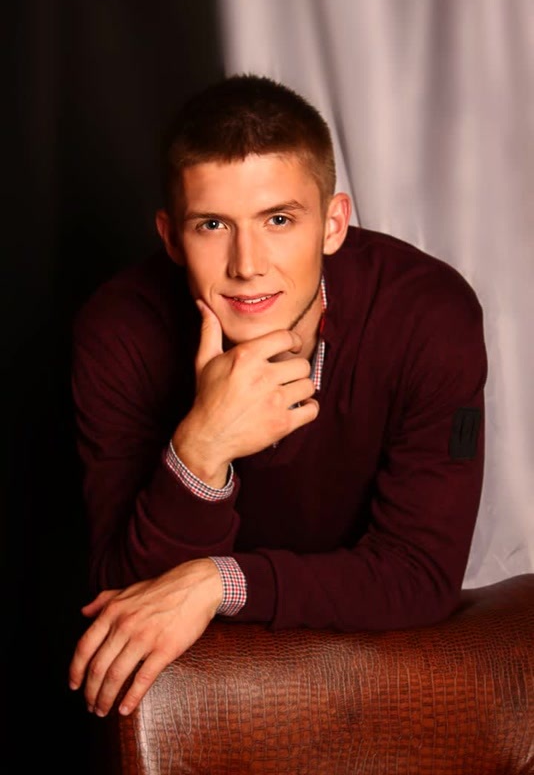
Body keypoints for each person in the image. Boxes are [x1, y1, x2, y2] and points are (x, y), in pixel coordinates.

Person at [68, 74, 487, 720]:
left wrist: (221, 580)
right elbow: (127, 600)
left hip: (376, 668)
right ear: (171, 237)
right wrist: (202, 446)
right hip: (201, 690)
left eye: (279, 220)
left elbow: (420, 573)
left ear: (333, 224)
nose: (247, 264)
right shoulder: (119, 330)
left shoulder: (427, 316)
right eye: (213, 224)